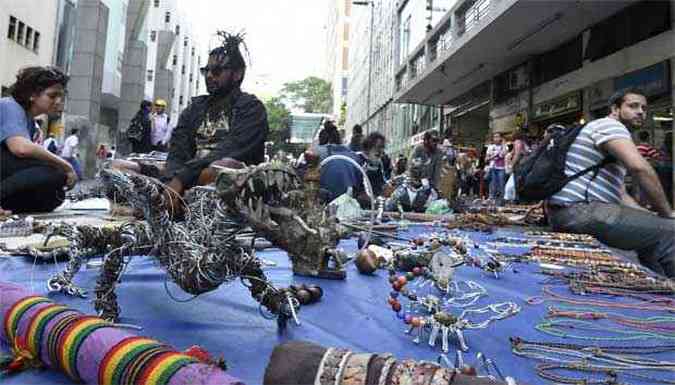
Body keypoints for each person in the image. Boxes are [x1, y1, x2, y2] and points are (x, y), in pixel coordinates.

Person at [112, 31, 268, 209]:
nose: (209, 76)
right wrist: (171, 181)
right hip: (187, 175)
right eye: (206, 71)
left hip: (222, 182)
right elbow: (178, 151)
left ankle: (166, 201)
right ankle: (164, 201)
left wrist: (180, 179)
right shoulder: (196, 107)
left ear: (238, 74)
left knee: (220, 168)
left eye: (216, 71)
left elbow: (229, 150)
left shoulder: (251, 108)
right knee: (119, 167)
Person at [547, 88, 675, 277]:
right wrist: (668, 212)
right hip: (582, 210)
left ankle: (661, 290)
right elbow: (640, 168)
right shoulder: (610, 126)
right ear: (615, 109)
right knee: (671, 232)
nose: (641, 111)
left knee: (655, 232)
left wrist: (652, 216)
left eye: (644, 108)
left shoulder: (606, 133)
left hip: (569, 212)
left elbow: (621, 194)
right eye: (633, 106)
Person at [0, 66, 76, 214]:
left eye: (61, 96)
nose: (59, 101)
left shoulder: (31, 123)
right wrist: (66, 166)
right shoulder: (9, 106)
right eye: (52, 96)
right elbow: (20, 148)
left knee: (54, 195)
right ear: (32, 95)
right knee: (57, 172)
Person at [358, 132, 387, 197]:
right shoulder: (358, 160)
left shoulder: (378, 163)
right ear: (368, 147)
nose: (381, 150)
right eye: (378, 146)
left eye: (382, 147)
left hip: (374, 200)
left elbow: (382, 182)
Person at [485, 132, 507, 204]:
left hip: (501, 168)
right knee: (492, 184)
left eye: (497, 137)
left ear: (501, 138)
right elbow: (486, 159)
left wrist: (503, 144)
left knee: (501, 183)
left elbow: (503, 154)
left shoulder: (505, 146)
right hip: (492, 167)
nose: (496, 138)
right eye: (494, 137)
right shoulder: (490, 147)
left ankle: (501, 199)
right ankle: (491, 198)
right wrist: (493, 156)